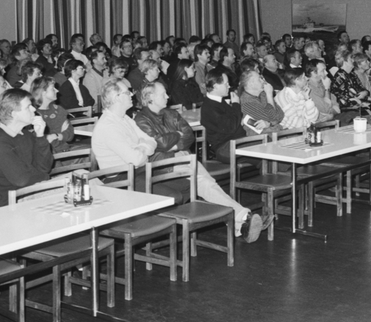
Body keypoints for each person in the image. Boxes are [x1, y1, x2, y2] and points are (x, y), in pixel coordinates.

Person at [92, 79, 263, 242]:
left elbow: (151, 142)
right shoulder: (109, 126)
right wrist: (145, 147)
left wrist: (144, 147)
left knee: (195, 177)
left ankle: (238, 217)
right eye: (126, 92)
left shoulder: (125, 119)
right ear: (116, 98)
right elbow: (138, 158)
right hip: (122, 181)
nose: (131, 94)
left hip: (142, 170)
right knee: (191, 183)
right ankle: (238, 218)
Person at [0, 88, 56, 207]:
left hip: (33, 190)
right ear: (13, 113)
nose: (34, 109)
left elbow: (45, 167)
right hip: (13, 201)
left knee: (82, 179)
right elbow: (22, 180)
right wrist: (45, 177)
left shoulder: (25, 135)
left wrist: (40, 136)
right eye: (28, 107)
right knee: (75, 190)